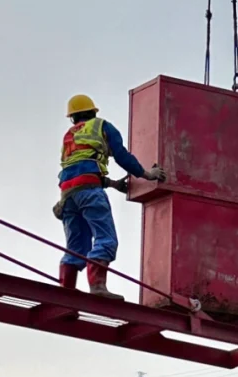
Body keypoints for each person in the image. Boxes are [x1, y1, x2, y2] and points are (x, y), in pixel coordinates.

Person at [56, 94, 166, 300]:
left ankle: (66, 290)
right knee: (106, 239)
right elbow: (121, 156)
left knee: (76, 246)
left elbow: (78, 168)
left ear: (72, 117)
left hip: (67, 195)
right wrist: (146, 174)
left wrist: (113, 184)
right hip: (89, 192)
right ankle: (97, 286)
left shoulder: (69, 136)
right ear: (93, 112)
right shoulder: (102, 126)